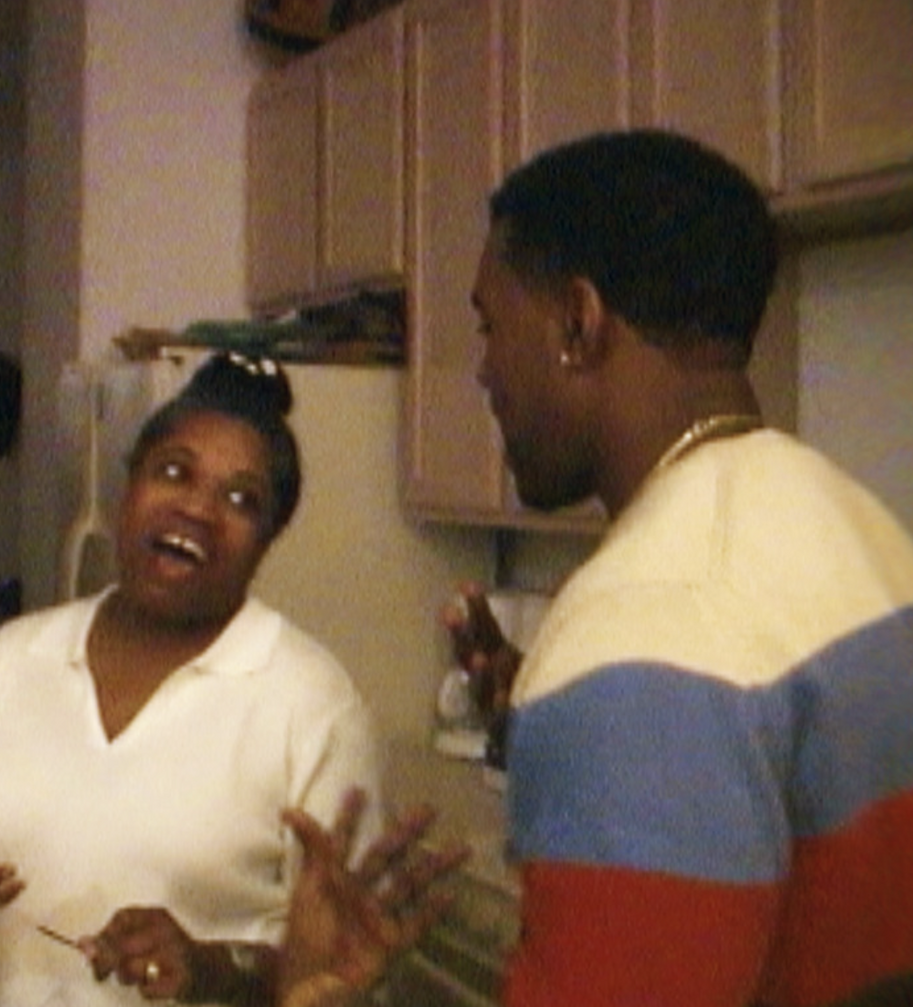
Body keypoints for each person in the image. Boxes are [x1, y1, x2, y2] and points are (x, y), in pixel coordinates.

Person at [278, 129, 913, 1007]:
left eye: (490, 326)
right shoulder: (857, 522)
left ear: (578, 322)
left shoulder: (642, 625)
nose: (482, 372)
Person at [0, 352, 386, 1007]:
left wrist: (216, 968)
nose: (197, 508)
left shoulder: (313, 705)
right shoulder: (13, 659)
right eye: (174, 471)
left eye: (241, 499)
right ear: (128, 486)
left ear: (266, 541)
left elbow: (343, 971)